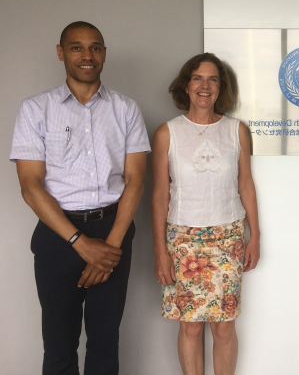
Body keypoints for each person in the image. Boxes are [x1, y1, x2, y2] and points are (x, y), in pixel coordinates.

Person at [10, 21, 150, 375]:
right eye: (76, 47)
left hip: (113, 229)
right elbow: (30, 185)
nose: (87, 55)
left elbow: (135, 180)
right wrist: (79, 242)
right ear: (61, 53)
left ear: (104, 54)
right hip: (59, 234)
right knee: (59, 343)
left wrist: (111, 246)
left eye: (95, 47)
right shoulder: (35, 109)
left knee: (105, 341)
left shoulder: (126, 109)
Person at [152, 53, 260, 375]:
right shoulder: (166, 133)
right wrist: (160, 250)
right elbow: (160, 194)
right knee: (191, 327)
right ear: (186, 85)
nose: (205, 85)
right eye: (198, 78)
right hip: (183, 241)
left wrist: (255, 235)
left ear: (220, 88)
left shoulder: (236, 131)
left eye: (213, 79)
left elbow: (246, 185)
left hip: (228, 237)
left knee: (224, 326)